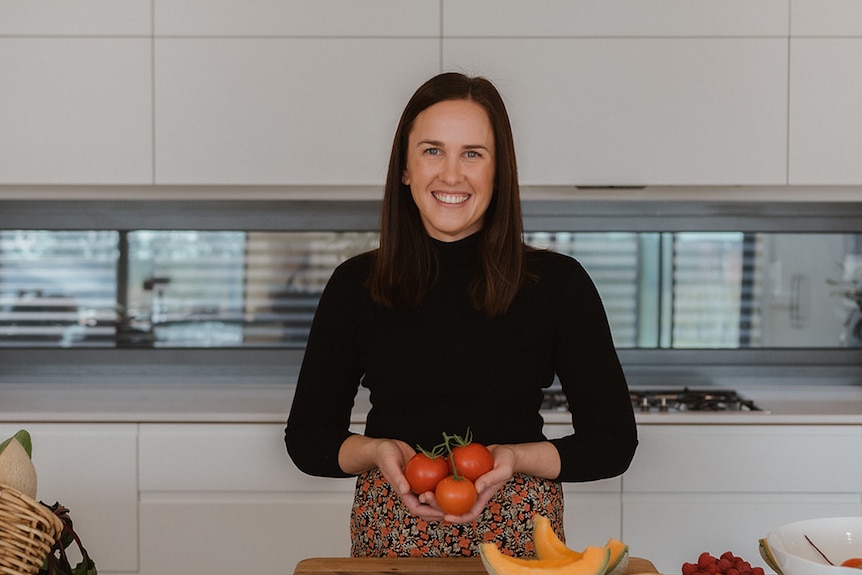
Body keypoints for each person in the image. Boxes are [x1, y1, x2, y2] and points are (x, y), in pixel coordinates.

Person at [285, 72, 637, 558]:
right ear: (405, 169)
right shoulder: (355, 285)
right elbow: (307, 439)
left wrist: (512, 459)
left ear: (498, 171)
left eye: (473, 153)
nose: (451, 175)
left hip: (519, 538)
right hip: (391, 538)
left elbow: (613, 442)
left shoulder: (557, 284)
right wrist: (377, 452)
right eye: (432, 150)